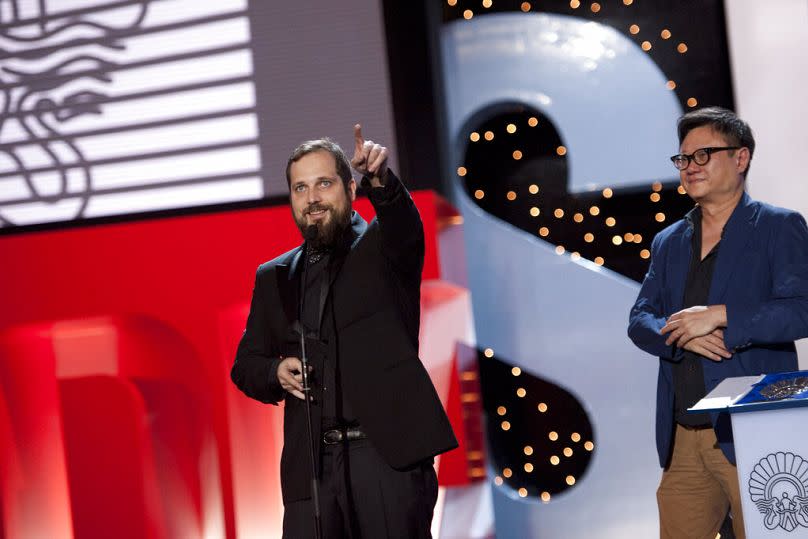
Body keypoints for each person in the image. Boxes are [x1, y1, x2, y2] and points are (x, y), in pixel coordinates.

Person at [231, 124, 457, 538]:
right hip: (311, 468)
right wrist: (274, 371)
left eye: (323, 183)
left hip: (385, 458)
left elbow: (403, 224)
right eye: (300, 189)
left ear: (350, 190)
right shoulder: (275, 277)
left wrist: (382, 182)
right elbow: (245, 365)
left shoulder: (382, 248)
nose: (312, 198)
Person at [627, 107, 808, 539]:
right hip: (684, 433)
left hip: (758, 427)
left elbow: (802, 307)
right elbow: (640, 319)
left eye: (703, 155)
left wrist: (721, 316)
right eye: (683, 159)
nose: (690, 167)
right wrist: (681, 338)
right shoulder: (668, 241)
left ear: (741, 158)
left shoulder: (778, 227)